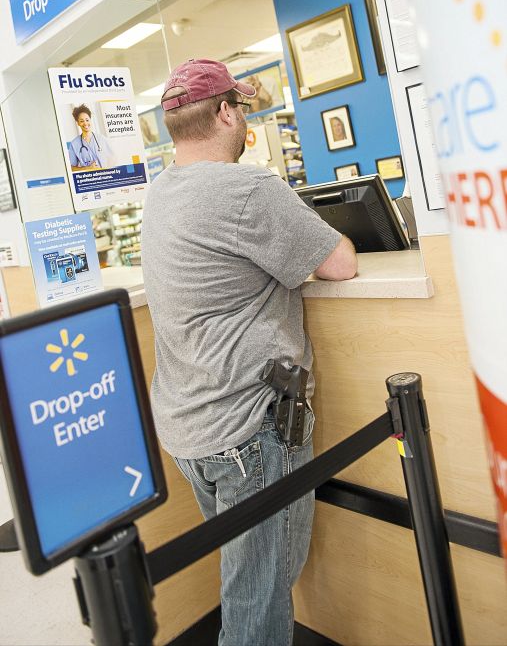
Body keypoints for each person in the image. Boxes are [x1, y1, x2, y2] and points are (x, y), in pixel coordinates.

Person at [141, 58, 357, 646]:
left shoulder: (161, 193)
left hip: (191, 430)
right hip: (248, 431)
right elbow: (341, 262)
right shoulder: (247, 187)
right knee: (257, 604)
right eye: (242, 109)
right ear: (227, 112)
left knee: (251, 582)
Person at [68, 104, 113, 170]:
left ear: (90, 120)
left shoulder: (101, 138)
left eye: (87, 120)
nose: (85, 123)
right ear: (77, 123)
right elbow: (71, 168)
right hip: (88, 177)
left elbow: (112, 158)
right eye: (81, 121)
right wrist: (87, 168)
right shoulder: (74, 144)